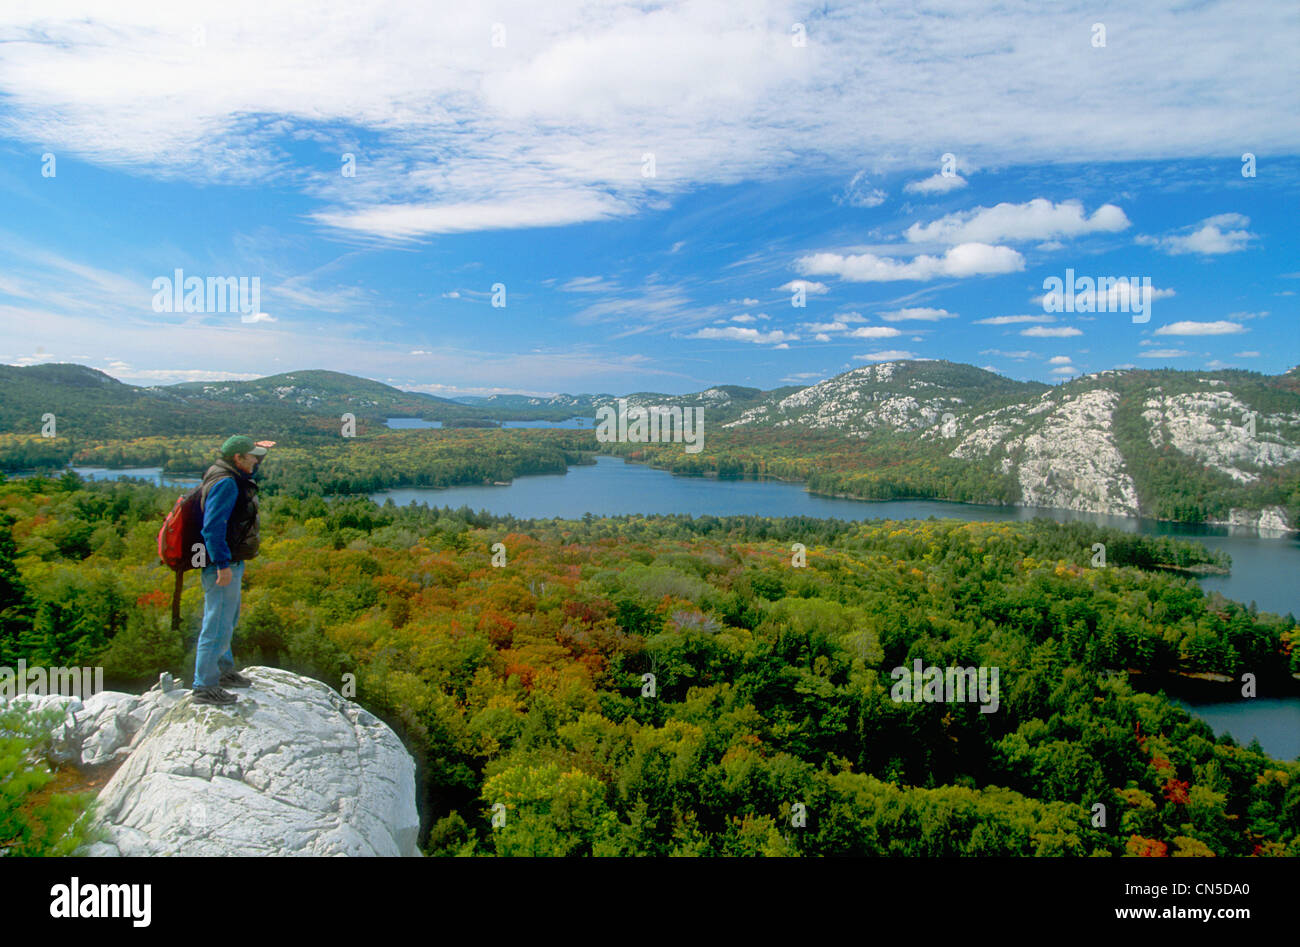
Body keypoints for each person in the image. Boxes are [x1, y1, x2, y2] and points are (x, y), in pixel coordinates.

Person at [191, 435, 273, 706]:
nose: (256, 460)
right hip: (221, 564)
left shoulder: (224, 471)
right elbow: (212, 528)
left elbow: (250, 464)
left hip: (226, 561)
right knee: (216, 623)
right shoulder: (226, 483)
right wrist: (222, 565)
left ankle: (224, 672)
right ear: (238, 458)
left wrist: (261, 451)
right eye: (252, 456)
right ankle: (205, 686)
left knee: (227, 619)